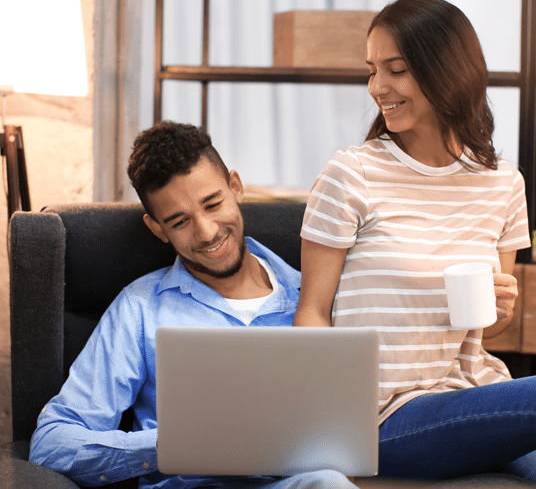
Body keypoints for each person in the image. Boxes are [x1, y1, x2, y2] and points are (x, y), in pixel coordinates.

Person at [294, 0, 536, 488]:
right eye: (372, 71)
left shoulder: (503, 185)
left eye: (397, 70)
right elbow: (312, 312)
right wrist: (327, 421)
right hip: (380, 417)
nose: (377, 88)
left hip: (472, 394)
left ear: (447, 72)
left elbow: (482, 332)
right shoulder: (353, 173)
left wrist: (502, 313)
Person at [29, 121, 357, 489]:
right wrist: (179, 443)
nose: (207, 232)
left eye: (213, 204)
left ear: (236, 187)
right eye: (180, 221)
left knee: (328, 483)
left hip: (295, 483)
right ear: (157, 229)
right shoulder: (139, 308)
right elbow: (51, 445)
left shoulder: (313, 296)